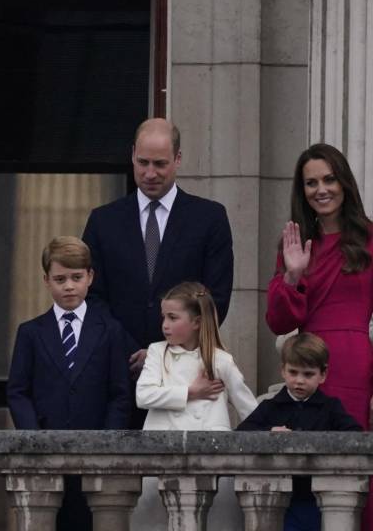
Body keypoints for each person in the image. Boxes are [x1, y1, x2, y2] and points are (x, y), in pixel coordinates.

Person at [82, 118, 233, 428]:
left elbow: (215, 298)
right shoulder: (103, 221)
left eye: (160, 164)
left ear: (178, 159)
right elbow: (92, 297)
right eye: (143, 162)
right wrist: (129, 350)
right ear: (132, 155)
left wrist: (163, 352)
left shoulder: (209, 218)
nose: (150, 173)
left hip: (186, 377)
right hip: (118, 374)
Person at [266, 143, 373, 530]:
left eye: (329, 179)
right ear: (302, 190)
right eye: (311, 182)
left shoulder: (370, 238)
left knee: (355, 471)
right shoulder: (294, 245)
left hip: (357, 365)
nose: (321, 189)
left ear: (344, 183)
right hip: (310, 366)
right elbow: (278, 322)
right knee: (313, 474)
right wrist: (293, 275)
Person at [7, 236, 130, 531]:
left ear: (90, 277)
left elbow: (120, 393)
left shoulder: (110, 330)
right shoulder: (31, 332)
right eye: (60, 279)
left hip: (96, 452)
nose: (69, 286)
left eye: (76, 277)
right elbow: (18, 391)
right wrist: (34, 438)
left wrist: (108, 442)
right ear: (46, 280)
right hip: (45, 452)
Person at [133, 282, 256, 530]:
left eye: (173, 317)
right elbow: (143, 396)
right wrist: (190, 392)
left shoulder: (221, 361)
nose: (165, 325)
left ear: (197, 322)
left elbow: (249, 408)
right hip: (159, 457)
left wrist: (273, 431)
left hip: (211, 460)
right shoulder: (157, 353)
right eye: (164, 317)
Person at [238, 333, 361, 531]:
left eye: (308, 374)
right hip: (278, 498)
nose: (299, 381)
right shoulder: (271, 406)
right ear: (283, 371)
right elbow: (241, 433)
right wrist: (269, 431)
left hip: (317, 498)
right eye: (293, 372)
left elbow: (354, 434)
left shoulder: (330, 407)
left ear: (323, 374)